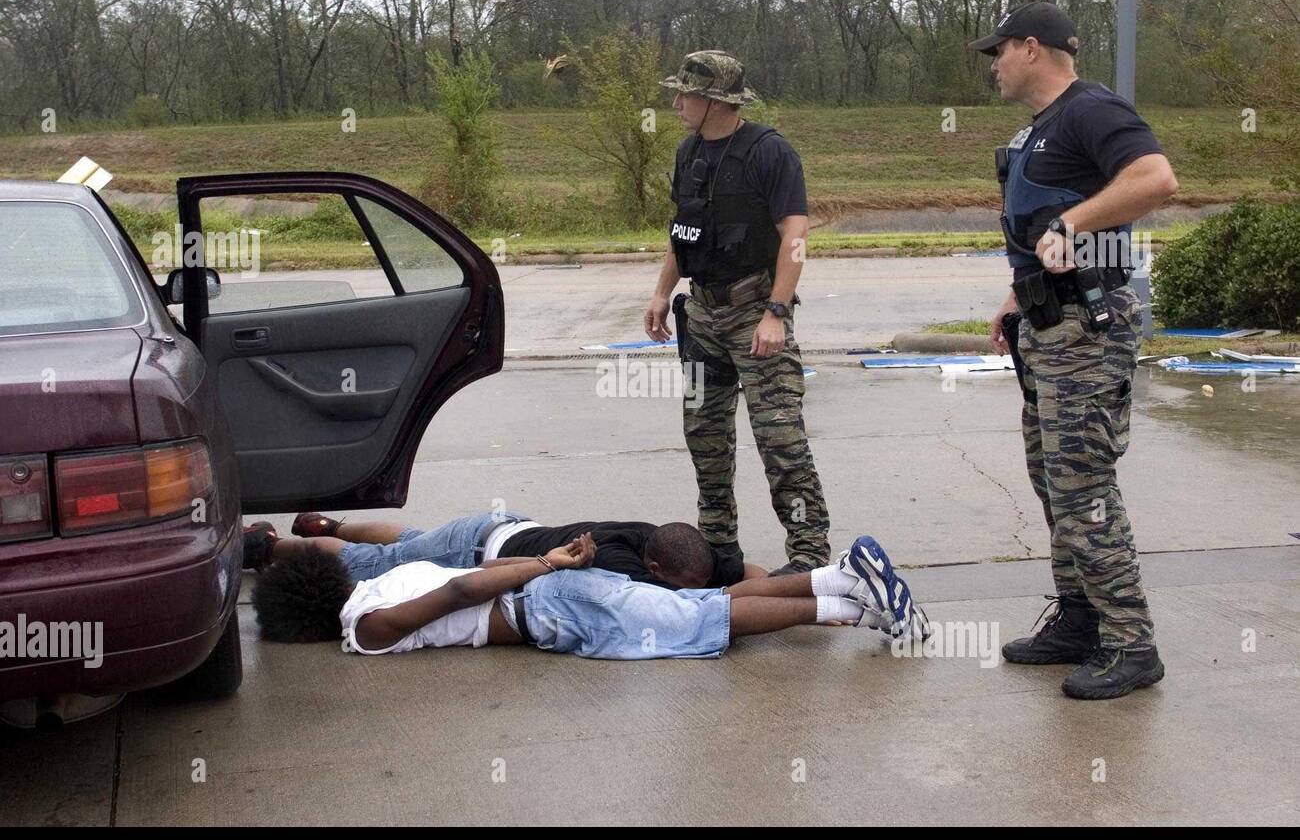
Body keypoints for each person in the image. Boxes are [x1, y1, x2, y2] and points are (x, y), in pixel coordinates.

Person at [968, 1, 1179, 699]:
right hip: (1048, 327)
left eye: (998, 52)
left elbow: (1155, 179)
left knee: (1083, 482)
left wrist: (1074, 220)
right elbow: (1037, 235)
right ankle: (1081, 618)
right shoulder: (1040, 128)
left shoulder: (1091, 110)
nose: (993, 65)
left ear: (1032, 48)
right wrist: (1014, 299)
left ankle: (1131, 640)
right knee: (1053, 477)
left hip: (1089, 330)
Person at [644, 50, 830, 576]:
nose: (677, 103)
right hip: (701, 316)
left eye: (686, 94)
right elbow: (683, 232)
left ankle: (809, 555)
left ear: (716, 101)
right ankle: (720, 550)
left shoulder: (769, 152)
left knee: (781, 441)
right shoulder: (689, 154)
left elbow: (794, 235)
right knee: (705, 438)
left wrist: (778, 311)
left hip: (754, 315)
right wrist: (662, 292)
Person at [251, 530, 929, 659]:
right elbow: (450, 573)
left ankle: (844, 587)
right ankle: (856, 599)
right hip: (545, 596)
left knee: (701, 616)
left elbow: (462, 588)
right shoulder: (372, 582)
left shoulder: (366, 629)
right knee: (698, 613)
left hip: (543, 607)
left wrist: (543, 564)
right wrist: (542, 565)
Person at [242, 511, 768, 590]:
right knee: (372, 566)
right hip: (472, 548)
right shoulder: (616, 563)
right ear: (654, 569)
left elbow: (745, 571)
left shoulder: (674, 543)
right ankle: (271, 546)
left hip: (503, 524)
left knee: (407, 543)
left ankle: (331, 522)